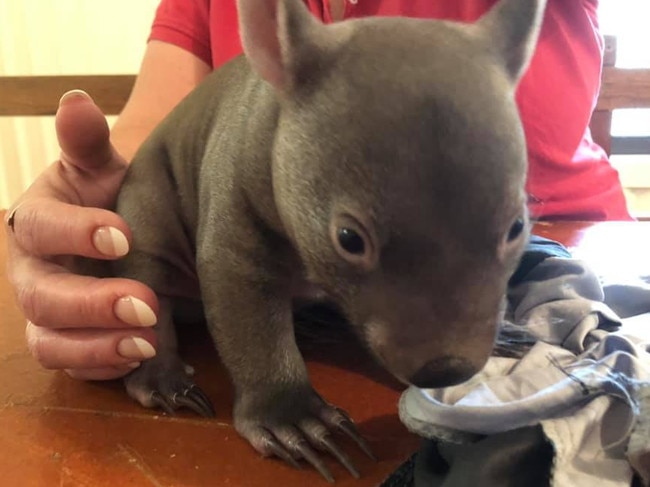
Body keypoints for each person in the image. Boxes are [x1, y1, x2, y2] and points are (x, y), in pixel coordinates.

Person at [4, 0, 632, 381]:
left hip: (580, 265)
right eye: (353, 238)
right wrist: (86, 204)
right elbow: (152, 164)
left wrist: (513, 246)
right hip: (267, 305)